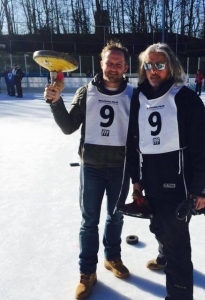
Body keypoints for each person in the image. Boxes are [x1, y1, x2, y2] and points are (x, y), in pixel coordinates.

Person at [44, 40, 133, 300]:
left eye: (118, 64)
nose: (113, 68)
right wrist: (56, 102)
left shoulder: (134, 95)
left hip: (120, 168)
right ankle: (87, 272)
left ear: (125, 66)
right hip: (91, 168)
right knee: (89, 222)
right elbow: (69, 127)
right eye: (109, 63)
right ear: (101, 63)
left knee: (115, 218)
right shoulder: (86, 92)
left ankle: (112, 257)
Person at [127, 43, 205, 300]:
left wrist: (201, 190)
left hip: (179, 188)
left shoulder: (187, 99)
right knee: (157, 227)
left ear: (171, 67)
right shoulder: (138, 98)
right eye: (149, 65)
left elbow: (202, 150)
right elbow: (134, 144)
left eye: (160, 65)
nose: (154, 70)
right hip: (151, 184)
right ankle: (163, 256)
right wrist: (136, 180)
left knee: (178, 248)